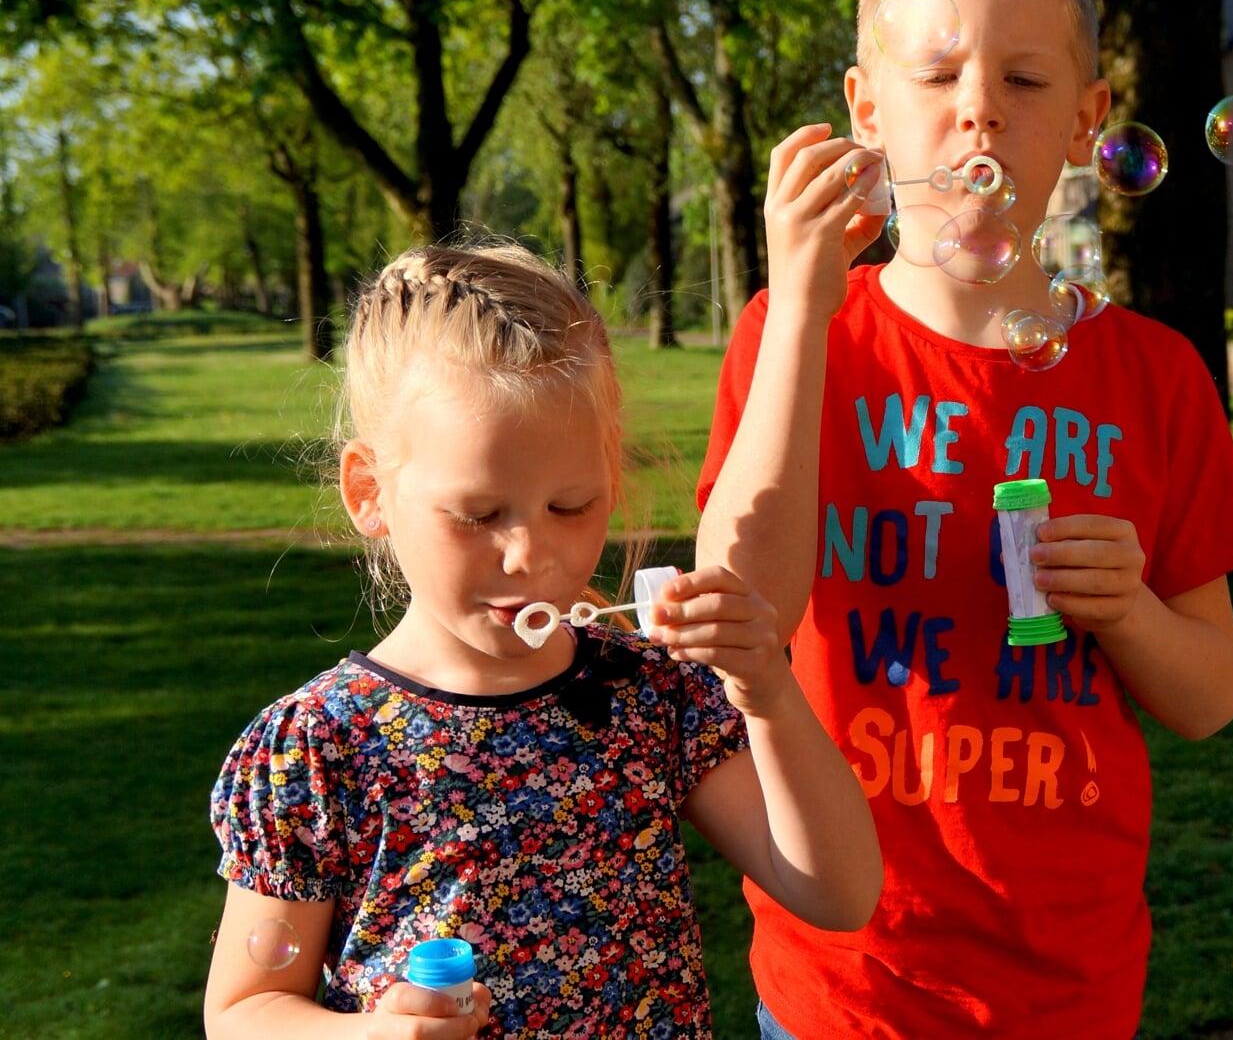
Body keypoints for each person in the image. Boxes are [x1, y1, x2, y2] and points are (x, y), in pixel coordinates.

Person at [694, 0, 1233, 1036]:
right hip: (845, 977)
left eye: (1024, 76)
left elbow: (1213, 695)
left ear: (1088, 119)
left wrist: (1134, 614)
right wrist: (806, 299)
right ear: (867, 108)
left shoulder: (1155, 376)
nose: (979, 106)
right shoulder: (797, 334)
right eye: (940, 71)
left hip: (1070, 977)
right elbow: (741, 618)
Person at [204, 242, 882, 1040]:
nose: (531, 554)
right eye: (481, 514)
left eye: (570, 506)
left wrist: (766, 690)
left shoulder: (651, 691)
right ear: (369, 492)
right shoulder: (321, 746)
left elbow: (840, 891)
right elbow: (244, 1009)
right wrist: (368, 1034)